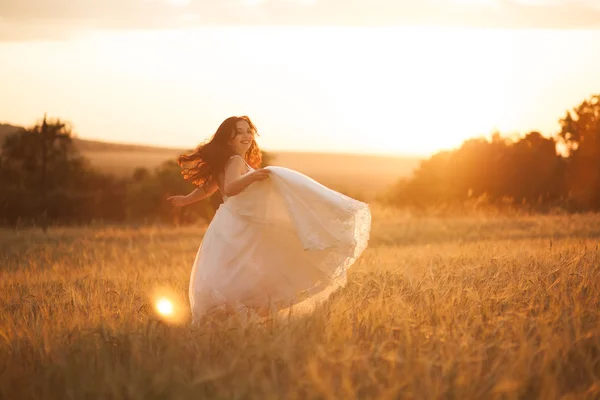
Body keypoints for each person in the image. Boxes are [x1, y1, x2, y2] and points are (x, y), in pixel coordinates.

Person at [168, 116, 370, 323]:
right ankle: (237, 314)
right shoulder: (235, 160)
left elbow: (207, 189)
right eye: (239, 132)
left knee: (234, 270)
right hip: (238, 222)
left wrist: (186, 200)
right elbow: (229, 188)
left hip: (228, 221)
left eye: (248, 131)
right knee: (247, 268)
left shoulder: (228, 161)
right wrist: (252, 177)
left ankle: (232, 316)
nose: (246, 136)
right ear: (228, 138)